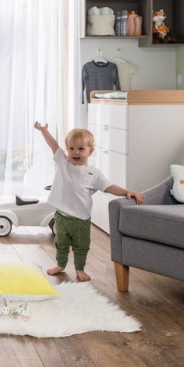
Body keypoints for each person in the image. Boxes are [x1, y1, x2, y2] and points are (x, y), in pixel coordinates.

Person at [34, 121, 143, 282]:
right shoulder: (64, 162)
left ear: (90, 151)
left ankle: (79, 269)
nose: (75, 152)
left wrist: (127, 192)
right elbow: (53, 145)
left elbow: (108, 187)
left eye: (81, 149)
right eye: (71, 148)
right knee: (61, 244)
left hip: (81, 220)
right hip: (61, 217)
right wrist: (44, 131)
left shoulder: (94, 174)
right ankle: (60, 265)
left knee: (81, 246)